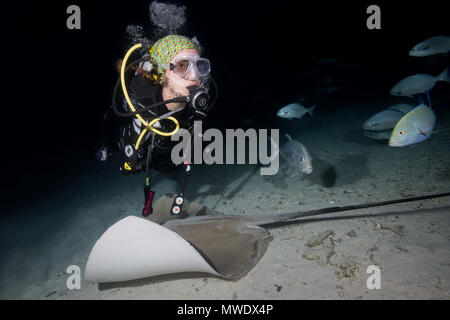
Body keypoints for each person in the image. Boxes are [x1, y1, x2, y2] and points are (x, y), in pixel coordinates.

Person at [96, 34, 216, 216]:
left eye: (199, 65)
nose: (195, 75)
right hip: (142, 136)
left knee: (168, 163)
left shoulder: (205, 98)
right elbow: (112, 119)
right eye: (182, 66)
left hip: (169, 144)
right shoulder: (140, 99)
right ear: (162, 73)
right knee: (129, 148)